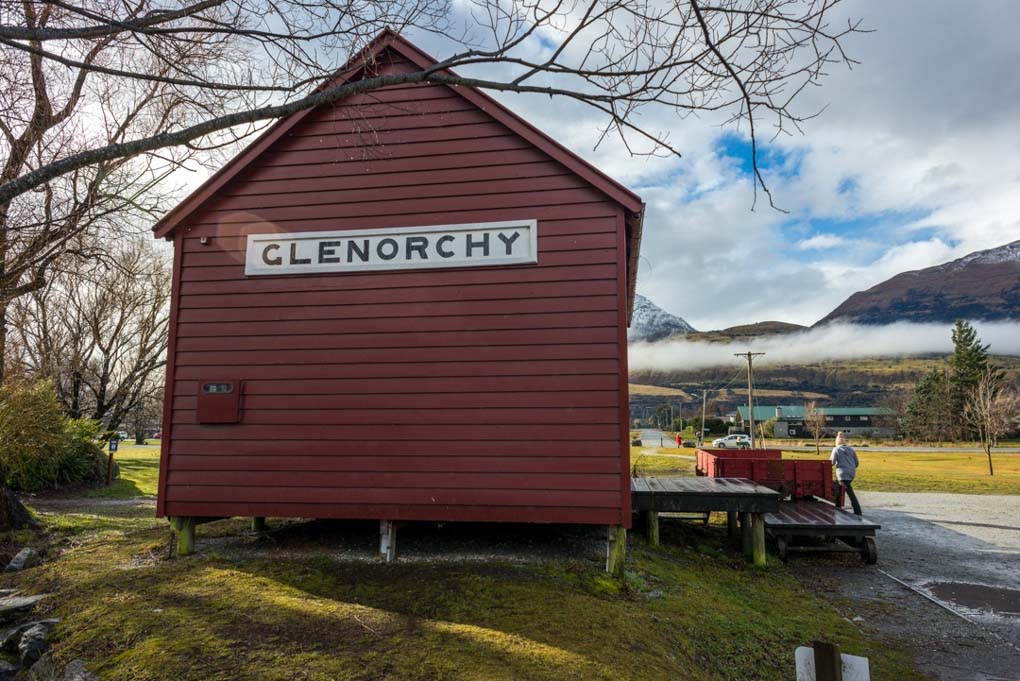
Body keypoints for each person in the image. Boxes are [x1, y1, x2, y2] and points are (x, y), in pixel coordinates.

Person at [830, 431, 862, 515]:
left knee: (849, 491)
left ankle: (858, 511)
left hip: (842, 473)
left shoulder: (836, 449)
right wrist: (850, 467)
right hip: (852, 473)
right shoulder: (851, 449)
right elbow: (857, 463)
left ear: (836, 442)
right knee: (840, 488)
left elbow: (831, 462)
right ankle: (837, 507)